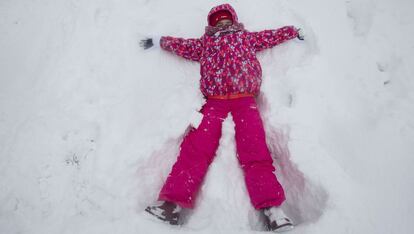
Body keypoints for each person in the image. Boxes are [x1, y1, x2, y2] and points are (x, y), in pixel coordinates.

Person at [139, 3, 304, 232]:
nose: (223, 24)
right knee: (196, 148)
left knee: (255, 150)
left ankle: (271, 209)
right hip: (214, 101)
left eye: (227, 20)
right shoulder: (205, 44)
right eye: (218, 21)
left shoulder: (245, 38)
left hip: (245, 100)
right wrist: (159, 41)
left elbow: (270, 36)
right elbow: (182, 45)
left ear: (234, 21)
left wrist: (291, 32)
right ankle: (172, 204)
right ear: (211, 24)